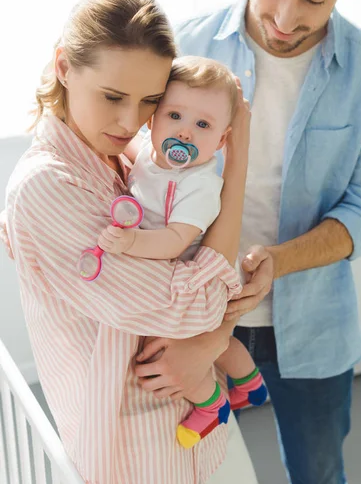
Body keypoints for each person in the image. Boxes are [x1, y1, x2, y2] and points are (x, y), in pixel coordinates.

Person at [132, 0, 361, 482]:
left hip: (313, 329)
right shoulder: (183, 47)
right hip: (185, 317)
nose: (285, 18)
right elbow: (125, 150)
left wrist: (278, 260)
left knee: (318, 472)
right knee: (173, 466)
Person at [0, 0, 259, 484]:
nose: (130, 120)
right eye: (113, 96)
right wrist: (239, 163)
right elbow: (199, 303)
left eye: (149, 101)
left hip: (195, 429)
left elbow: (200, 275)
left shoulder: (123, 155)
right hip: (142, 452)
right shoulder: (48, 186)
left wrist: (210, 338)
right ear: (64, 68)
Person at [97, 55, 267, 449]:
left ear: (223, 140)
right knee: (218, 341)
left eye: (203, 125)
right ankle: (250, 383)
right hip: (178, 271)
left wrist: (131, 242)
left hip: (191, 280)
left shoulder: (198, 185)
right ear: (152, 120)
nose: (186, 133)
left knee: (169, 348)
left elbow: (175, 239)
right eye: (175, 116)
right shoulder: (151, 156)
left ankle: (211, 405)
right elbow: (131, 154)